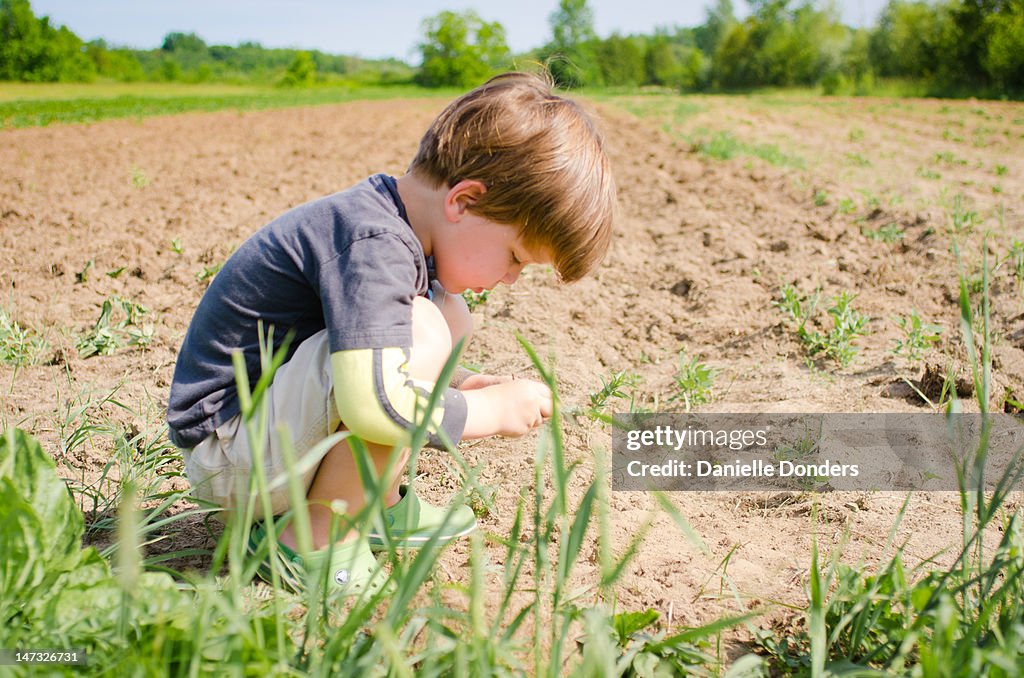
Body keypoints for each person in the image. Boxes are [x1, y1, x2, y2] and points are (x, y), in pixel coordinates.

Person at [166, 71, 616, 593]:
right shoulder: (374, 243)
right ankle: (310, 541)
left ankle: (372, 504)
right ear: (464, 201)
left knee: (447, 316)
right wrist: (487, 412)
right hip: (232, 457)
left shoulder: (394, 225)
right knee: (422, 330)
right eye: (515, 257)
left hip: (266, 435)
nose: (510, 278)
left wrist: (464, 382)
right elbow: (372, 403)